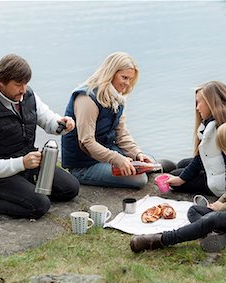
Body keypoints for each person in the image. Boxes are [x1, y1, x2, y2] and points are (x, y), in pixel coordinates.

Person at [130, 118, 226, 253]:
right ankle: (224, 234)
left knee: (211, 218)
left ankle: (161, 240)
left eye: (224, 146)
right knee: (193, 210)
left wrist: (219, 208)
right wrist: (219, 202)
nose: (222, 150)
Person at [0, 54, 79, 219]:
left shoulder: (27, 96)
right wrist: (22, 163)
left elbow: (47, 119)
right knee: (39, 205)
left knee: (71, 188)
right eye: (18, 84)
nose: (24, 90)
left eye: (26, 83)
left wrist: (61, 124)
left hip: (26, 163)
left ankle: (23, 187)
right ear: (0, 82)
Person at [61, 52, 161, 188]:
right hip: (84, 164)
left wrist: (137, 153)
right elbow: (86, 142)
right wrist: (116, 159)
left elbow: (121, 134)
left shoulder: (116, 97)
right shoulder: (87, 99)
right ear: (111, 73)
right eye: (124, 77)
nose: (127, 84)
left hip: (106, 152)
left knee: (150, 164)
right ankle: (83, 176)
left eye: (130, 79)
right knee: (139, 179)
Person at [167, 80, 226, 198]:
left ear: (210, 102)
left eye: (199, 102)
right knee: (182, 164)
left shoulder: (218, 127)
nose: (197, 108)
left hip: (222, 185)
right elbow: (204, 155)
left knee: (175, 177)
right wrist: (182, 177)